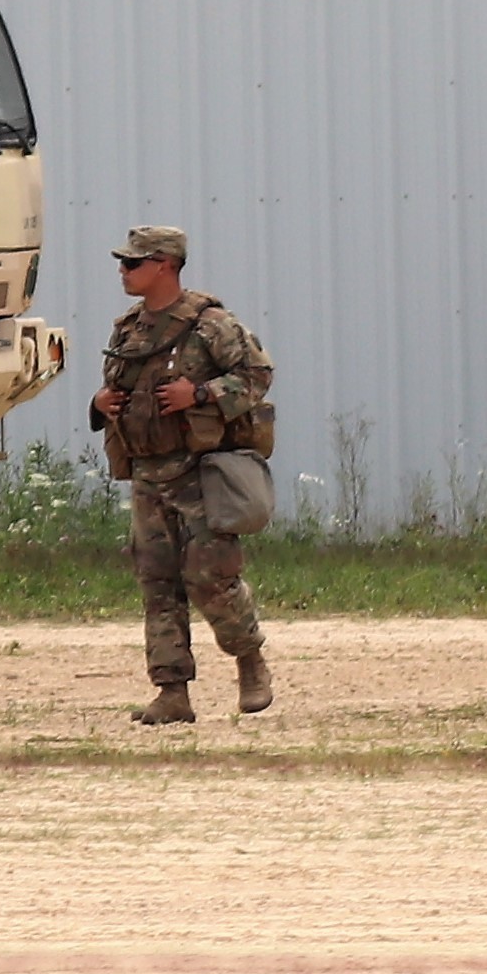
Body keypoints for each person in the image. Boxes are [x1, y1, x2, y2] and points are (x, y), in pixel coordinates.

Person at [86, 225, 274, 724]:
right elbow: (116, 387)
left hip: (200, 472)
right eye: (124, 263)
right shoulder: (129, 327)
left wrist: (202, 395)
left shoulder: (210, 325)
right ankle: (172, 691)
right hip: (149, 473)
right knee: (158, 582)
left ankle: (249, 660)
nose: (123, 272)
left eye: (133, 263)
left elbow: (257, 376)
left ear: (165, 264)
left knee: (211, 576)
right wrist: (100, 404)